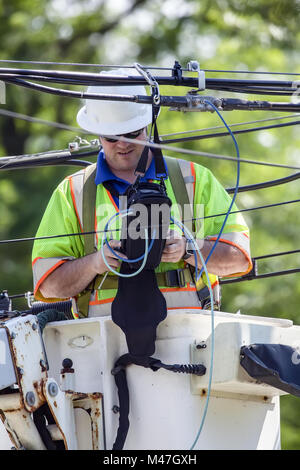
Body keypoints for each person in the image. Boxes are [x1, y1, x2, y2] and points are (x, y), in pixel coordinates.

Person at [32, 69, 252, 318]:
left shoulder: (194, 179)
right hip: (99, 344)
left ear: (147, 125)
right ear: (98, 135)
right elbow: (47, 285)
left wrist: (189, 249)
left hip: (192, 339)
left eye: (133, 133)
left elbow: (240, 257)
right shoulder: (72, 192)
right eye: (113, 137)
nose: (123, 144)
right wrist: (94, 263)